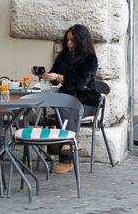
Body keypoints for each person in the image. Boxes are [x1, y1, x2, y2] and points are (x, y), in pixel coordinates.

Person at [37, 24, 100, 174]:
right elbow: (55, 76)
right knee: (63, 105)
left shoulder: (90, 59)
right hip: (68, 100)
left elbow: (79, 82)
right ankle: (70, 144)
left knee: (66, 107)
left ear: (81, 41)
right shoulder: (64, 56)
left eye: (72, 41)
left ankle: (66, 157)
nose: (69, 43)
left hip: (86, 101)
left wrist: (59, 77)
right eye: (68, 40)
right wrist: (45, 75)